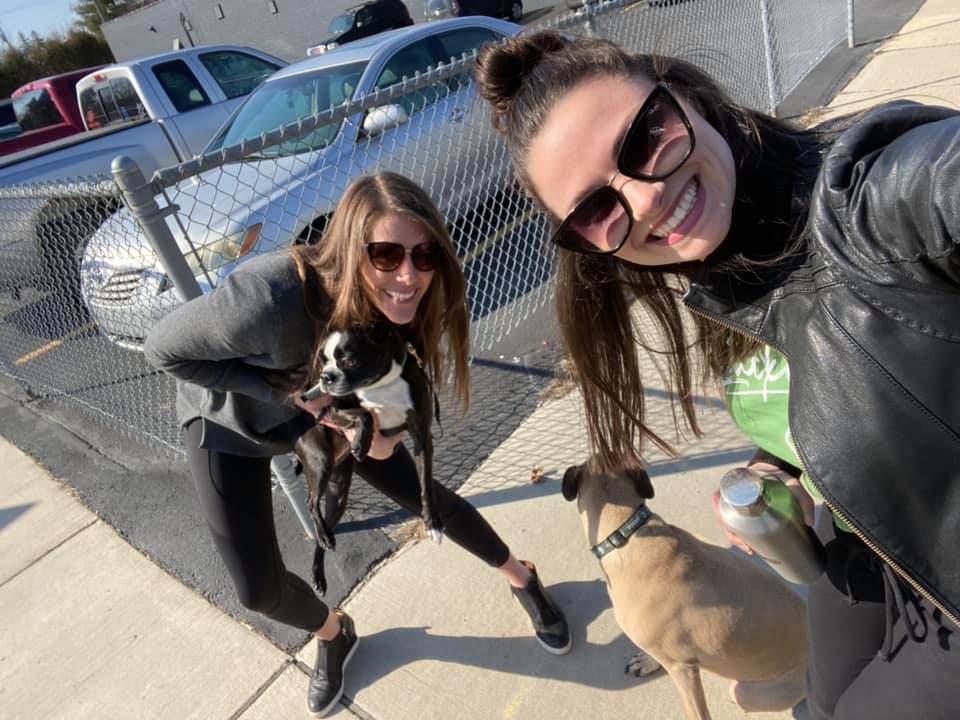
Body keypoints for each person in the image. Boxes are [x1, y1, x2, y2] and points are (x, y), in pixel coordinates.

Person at [474, 30, 960, 720]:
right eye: (596, 209)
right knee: (816, 705)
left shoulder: (870, 199)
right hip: (863, 544)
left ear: (687, 96)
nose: (643, 201)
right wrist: (777, 464)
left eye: (644, 139)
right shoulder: (723, 269)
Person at [143, 171, 571, 718]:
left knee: (426, 497)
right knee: (257, 591)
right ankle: (334, 632)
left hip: (330, 403)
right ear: (350, 251)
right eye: (386, 255)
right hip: (231, 418)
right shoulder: (268, 299)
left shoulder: (403, 303)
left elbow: (390, 407)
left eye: (425, 254)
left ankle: (522, 576)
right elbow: (163, 350)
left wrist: (376, 431)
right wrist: (285, 392)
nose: (409, 275)